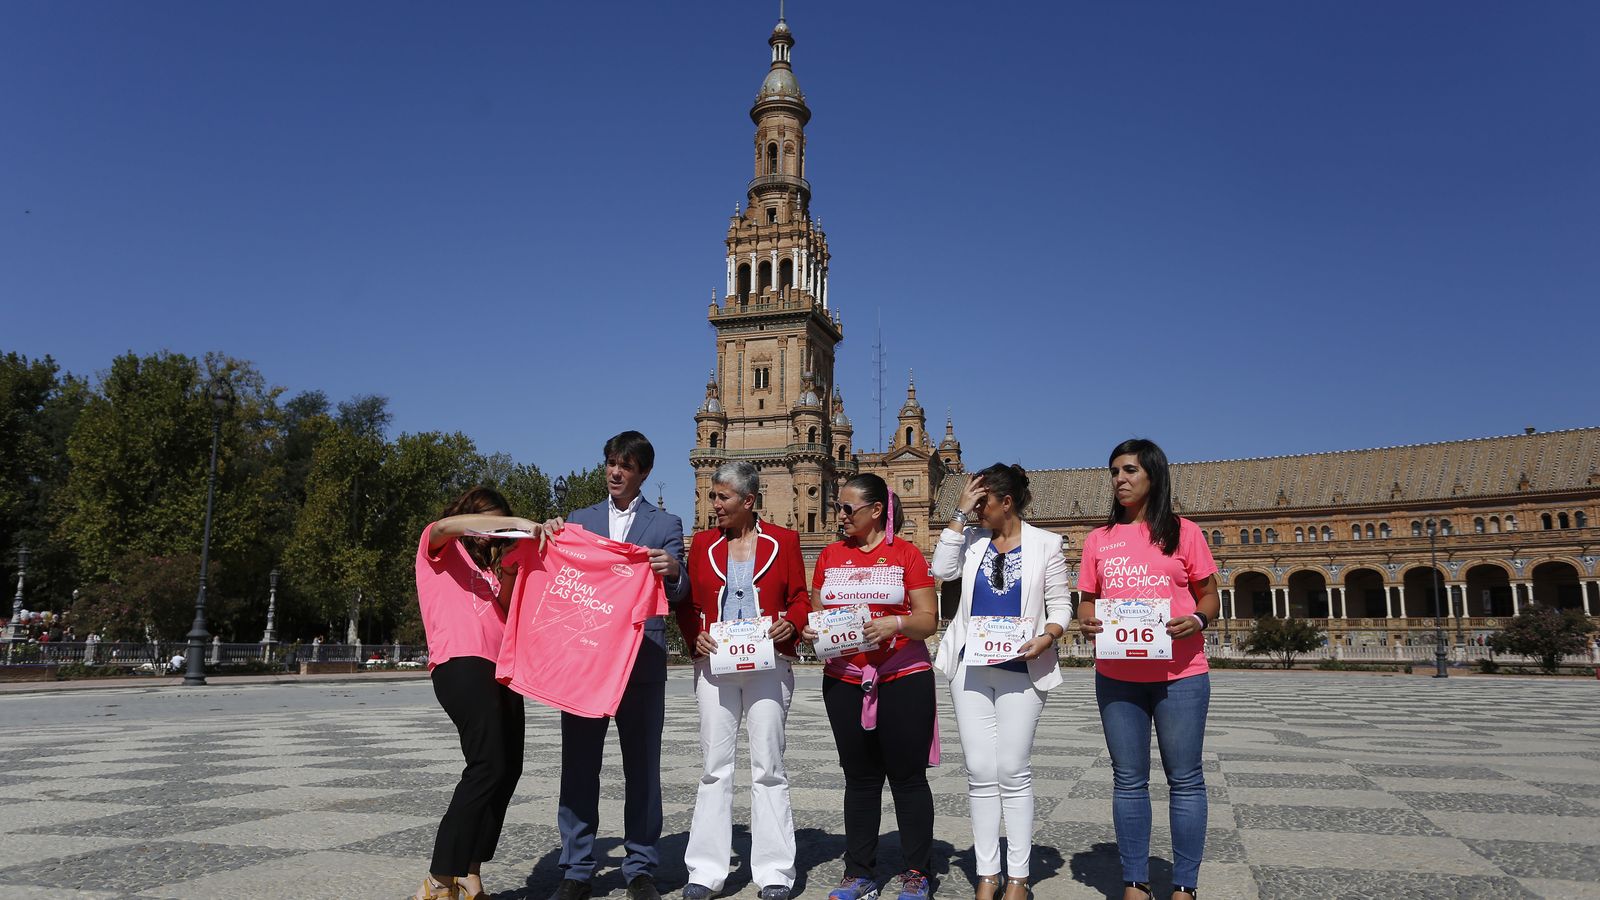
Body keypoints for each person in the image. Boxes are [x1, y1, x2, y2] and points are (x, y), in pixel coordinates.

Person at [543, 431, 690, 900]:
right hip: (586, 661)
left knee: (642, 768)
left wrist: (674, 570)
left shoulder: (666, 524)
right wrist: (549, 536)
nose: (614, 472)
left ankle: (641, 867)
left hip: (641, 661)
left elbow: (679, 590)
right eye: (610, 463)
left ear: (643, 472)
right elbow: (559, 576)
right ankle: (576, 868)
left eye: (625, 466)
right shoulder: (579, 521)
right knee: (579, 766)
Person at [1075, 440, 1221, 900]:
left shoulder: (1185, 532)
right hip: (1118, 676)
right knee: (1129, 779)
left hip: (1182, 674)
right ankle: (1135, 881)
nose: (1120, 478)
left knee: (1185, 778)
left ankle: (1184, 885)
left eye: (1130, 470)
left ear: (1153, 476)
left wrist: (1195, 620)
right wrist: (1085, 619)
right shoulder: (1099, 540)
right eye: (1114, 470)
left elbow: (1210, 598)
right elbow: (1087, 600)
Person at [931, 465, 1071, 900]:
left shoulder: (1046, 544)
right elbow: (939, 569)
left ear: (1005, 503)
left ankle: (1018, 876)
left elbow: (1060, 604)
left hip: (1022, 669)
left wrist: (1048, 636)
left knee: (1012, 769)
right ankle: (988, 873)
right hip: (970, 667)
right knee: (979, 771)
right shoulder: (970, 542)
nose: (977, 510)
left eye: (982, 501)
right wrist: (957, 512)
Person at [801, 473, 939, 900]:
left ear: (876, 510)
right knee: (859, 778)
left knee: (907, 778)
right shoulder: (829, 556)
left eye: (847, 508)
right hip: (844, 680)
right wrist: (812, 632)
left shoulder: (907, 554)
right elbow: (818, 612)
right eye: (838, 507)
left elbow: (927, 619)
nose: (839, 514)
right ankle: (859, 872)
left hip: (903, 677)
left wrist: (894, 622)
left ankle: (917, 871)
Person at [677, 461, 810, 900]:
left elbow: (799, 597)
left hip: (768, 666)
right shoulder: (701, 544)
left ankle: (774, 871)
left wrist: (792, 622)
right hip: (715, 668)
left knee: (768, 766)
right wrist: (693, 633)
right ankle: (705, 870)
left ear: (748, 501)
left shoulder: (784, 541)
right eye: (712, 496)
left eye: (722, 498)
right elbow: (688, 602)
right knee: (715, 768)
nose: (713, 504)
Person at [412, 486, 539, 900]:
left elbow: (501, 611)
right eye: (490, 523)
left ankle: (469, 871)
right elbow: (451, 526)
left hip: (502, 669)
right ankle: (437, 877)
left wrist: (508, 571)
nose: (492, 534)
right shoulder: (439, 543)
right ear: (472, 515)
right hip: (461, 664)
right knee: (486, 765)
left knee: (508, 768)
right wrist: (516, 524)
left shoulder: (484, 567)